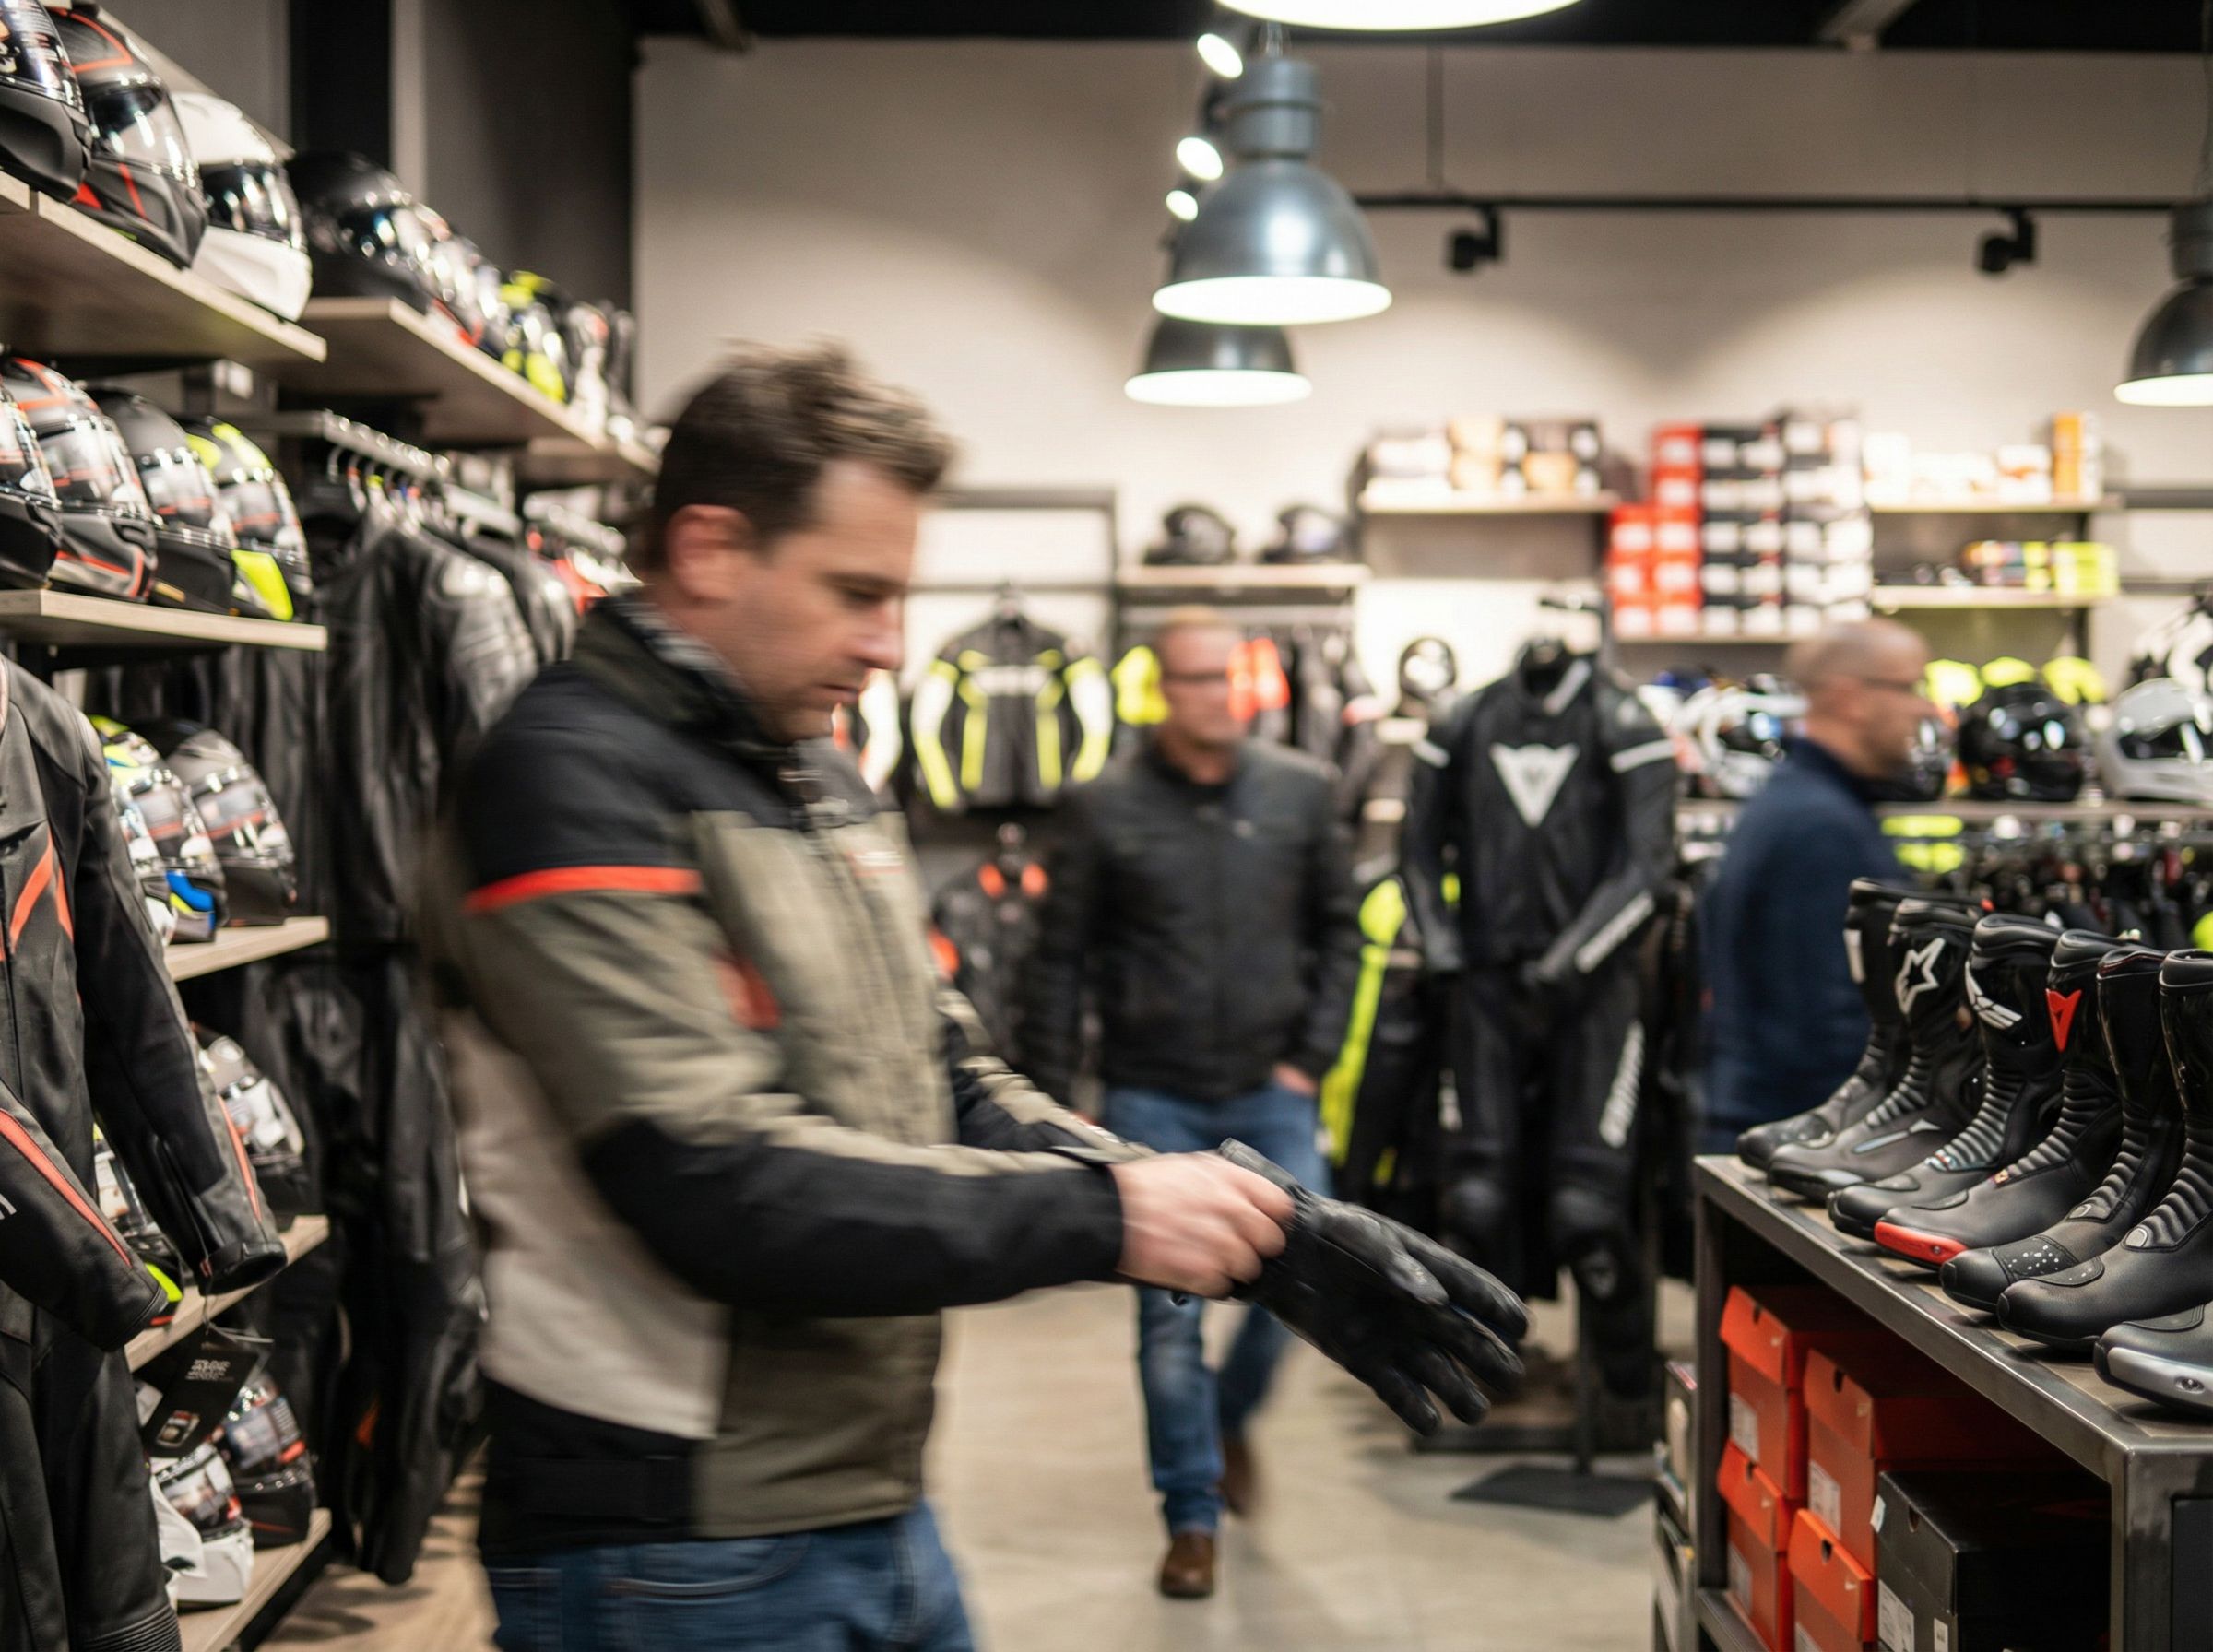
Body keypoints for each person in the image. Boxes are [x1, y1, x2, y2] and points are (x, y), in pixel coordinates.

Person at [420, 343, 1524, 1652]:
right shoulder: (566, 780)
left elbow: (946, 1078)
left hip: (867, 1507)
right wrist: (1115, 1215)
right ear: (712, 550)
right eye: (857, 594)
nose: (890, 646)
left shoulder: (813, 774)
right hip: (671, 1553)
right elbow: (708, 1175)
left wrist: (1226, 1216)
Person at [1024, 608, 1362, 1599]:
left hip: (1273, 1086)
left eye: (1230, 677)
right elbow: (1058, 960)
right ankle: (1191, 1513)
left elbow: (1342, 933)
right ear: (1161, 691)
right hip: (1149, 1095)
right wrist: (1056, 1107)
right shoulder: (1104, 805)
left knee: (1314, 1275)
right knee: (1168, 1317)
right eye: (1196, 680)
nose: (1217, 695)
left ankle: (1227, 1413)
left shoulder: (1302, 794)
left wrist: (1310, 1058)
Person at [1699, 619, 1930, 1153]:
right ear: (1852, 699)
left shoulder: (1801, 804)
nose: (1923, 710)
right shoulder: (1821, 828)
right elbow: (1831, 1028)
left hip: (1775, 1132)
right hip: (1799, 1145)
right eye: (1909, 688)